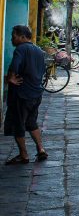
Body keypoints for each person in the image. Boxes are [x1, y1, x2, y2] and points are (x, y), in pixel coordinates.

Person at [4, 25, 48, 165]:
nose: (12, 39)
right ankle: (40, 148)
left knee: (18, 124)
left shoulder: (21, 49)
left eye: (14, 36)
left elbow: (15, 65)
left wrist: (10, 78)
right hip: (36, 93)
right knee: (31, 122)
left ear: (22, 36)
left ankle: (23, 155)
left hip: (22, 95)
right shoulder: (39, 51)